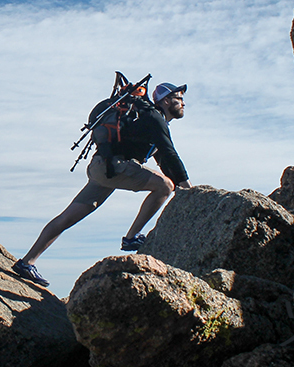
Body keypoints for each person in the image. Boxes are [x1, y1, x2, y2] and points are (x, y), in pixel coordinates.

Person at [12, 82, 193, 286]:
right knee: (164, 186)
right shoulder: (154, 117)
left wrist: (184, 187)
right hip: (112, 167)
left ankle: (27, 262)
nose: (184, 103)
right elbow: (170, 153)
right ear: (166, 100)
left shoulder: (151, 120)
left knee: (67, 217)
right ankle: (131, 237)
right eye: (179, 98)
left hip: (102, 167)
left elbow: (165, 160)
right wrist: (188, 189)